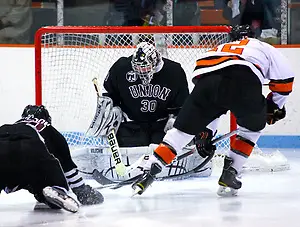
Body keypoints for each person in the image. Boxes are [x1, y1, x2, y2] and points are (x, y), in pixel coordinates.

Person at [131, 25, 294, 196]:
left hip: (206, 80)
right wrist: (275, 106)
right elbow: (285, 79)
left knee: (180, 132)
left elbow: (214, 103)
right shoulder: (262, 47)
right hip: (243, 78)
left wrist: (206, 132)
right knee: (251, 130)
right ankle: (231, 172)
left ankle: (150, 169)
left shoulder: (219, 48)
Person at [87, 41, 189, 148]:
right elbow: (109, 93)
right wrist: (113, 108)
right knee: (131, 154)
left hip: (161, 126)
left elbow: (183, 104)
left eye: (145, 68)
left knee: (162, 155)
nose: (141, 71)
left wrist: (175, 119)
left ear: (154, 62)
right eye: (138, 68)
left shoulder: (174, 71)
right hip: (131, 125)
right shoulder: (121, 67)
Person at [19, 105, 104, 206]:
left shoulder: (11, 126)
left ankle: (37, 189)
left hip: (6, 161)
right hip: (31, 158)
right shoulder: (48, 129)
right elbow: (66, 163)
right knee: (48, 168)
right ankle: (49, 189)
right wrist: (82, 190)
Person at [0, 121, 79, 213]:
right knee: (47, 171)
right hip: (30, 150)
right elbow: (64, 159)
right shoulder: (44, 126)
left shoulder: (7, 127)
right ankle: (57, 189)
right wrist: (82, 190)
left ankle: (41, 191)